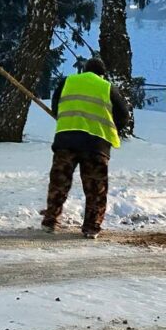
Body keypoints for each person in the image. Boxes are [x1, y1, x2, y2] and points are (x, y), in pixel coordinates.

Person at [41, 58, 131, 238]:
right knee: (95, 187)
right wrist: (111, 128)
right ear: (102, 74)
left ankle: (51, 220)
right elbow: (124, 116)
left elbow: (56, 106)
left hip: (66, 141)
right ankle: (91, 226)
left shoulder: (68, 82)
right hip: (96, 145)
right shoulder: (106, 87)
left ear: (83, 71)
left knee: (59, 182)